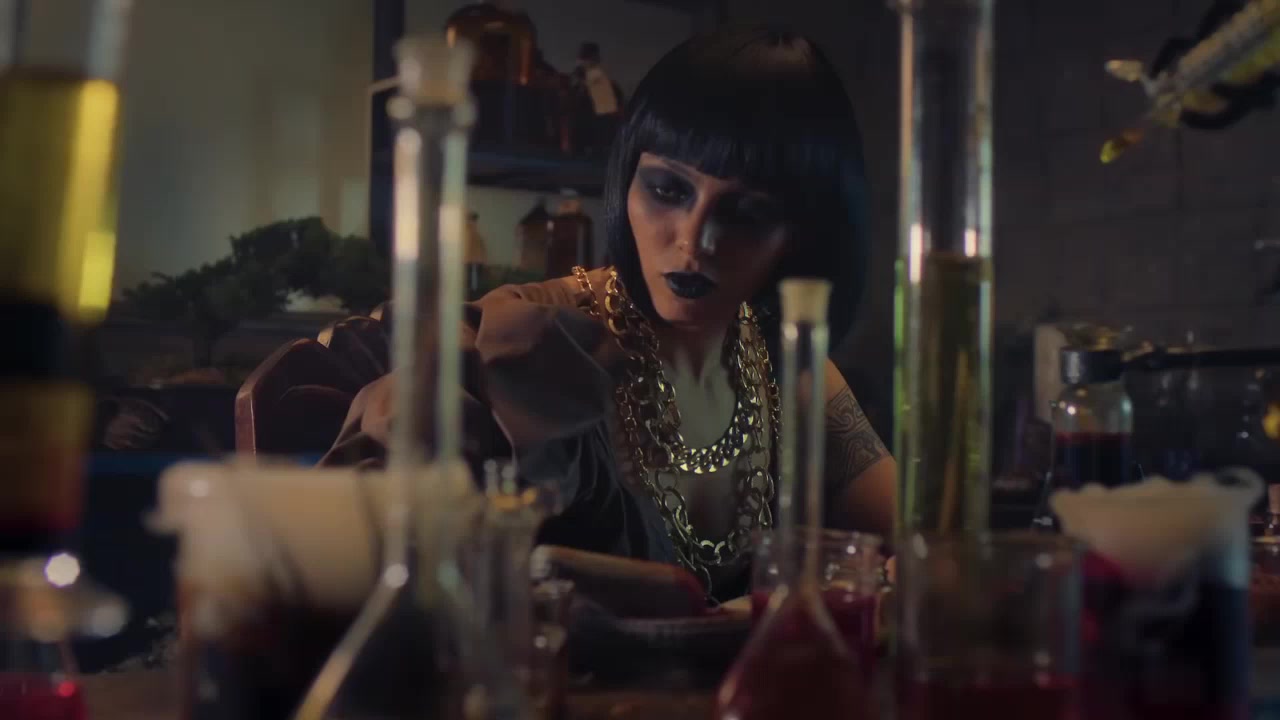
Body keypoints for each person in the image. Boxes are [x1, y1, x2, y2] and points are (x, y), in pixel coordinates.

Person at [323, 26, 896, 602]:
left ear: (804, 235)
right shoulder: (528, 340)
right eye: (668, 190)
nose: (694, 240)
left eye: (745, 212)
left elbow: (917, 549)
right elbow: (379, 555)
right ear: (627, 182)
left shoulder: (786, 368)